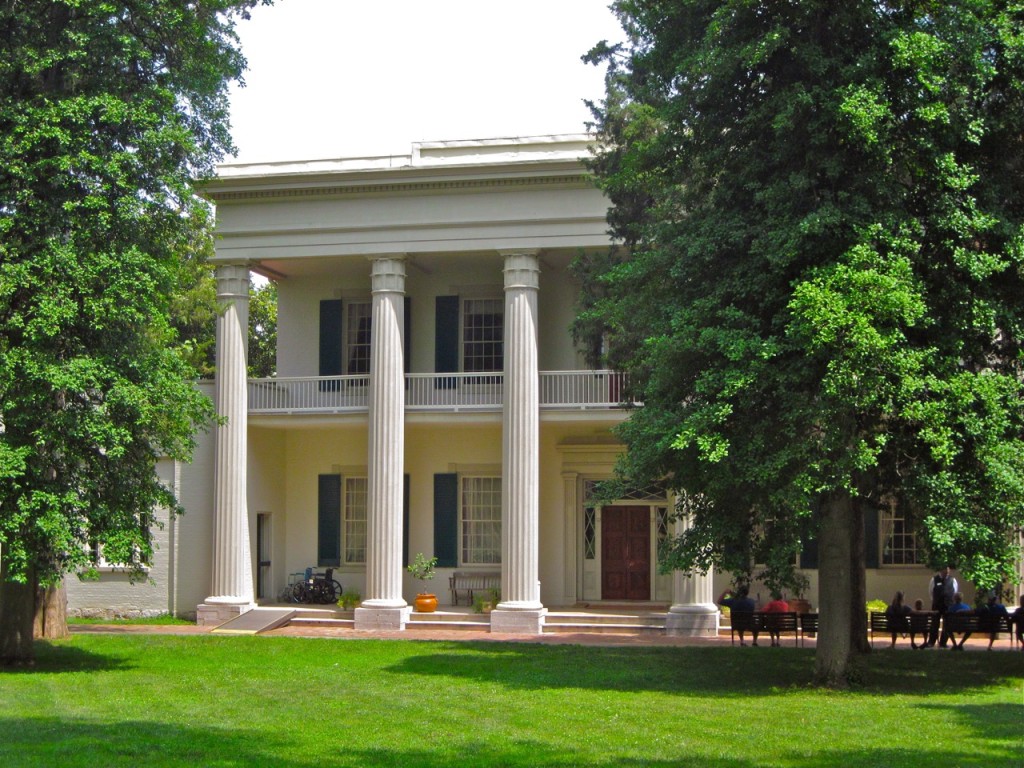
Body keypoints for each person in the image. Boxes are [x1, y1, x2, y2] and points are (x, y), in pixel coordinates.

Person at [923, 565, 957, 648]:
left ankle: (943, 642)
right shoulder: (934, 579)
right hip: (937, 605)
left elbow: (955, 592)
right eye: (946, 570)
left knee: (947, 625)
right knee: (934, 624)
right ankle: (931, 642)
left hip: (948, 606)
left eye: (948, 571)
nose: (947, 572)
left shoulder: (953, 580)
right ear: (941, 570)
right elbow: (931, 592)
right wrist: (934, 600)